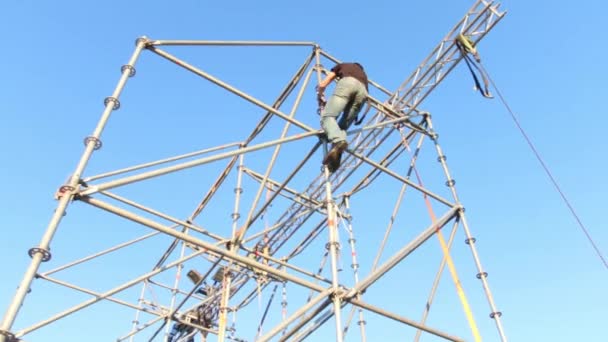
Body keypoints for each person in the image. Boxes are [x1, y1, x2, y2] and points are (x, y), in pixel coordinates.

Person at [317, 62, 369, 172]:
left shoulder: (344, 65)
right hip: (363, 93)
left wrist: (320, 93)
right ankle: (335, 155)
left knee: (327, 117)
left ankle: (339, 142)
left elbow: (324, 83)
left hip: (348, 84)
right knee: (341, 127)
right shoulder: (364, 77)